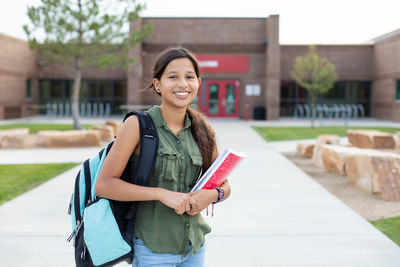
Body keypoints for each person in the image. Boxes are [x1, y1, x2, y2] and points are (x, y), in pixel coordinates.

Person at [96, 47, 231, 267]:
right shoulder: (137, 126)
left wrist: (212, 195)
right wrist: (160, 194)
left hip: (194, 247)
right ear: (158, 84)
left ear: (198, 82)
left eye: (189, 77)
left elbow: (225, 185)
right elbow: (104, 185)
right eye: (173, 77)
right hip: (152, 249)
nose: (182, 84)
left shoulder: (203, 129)